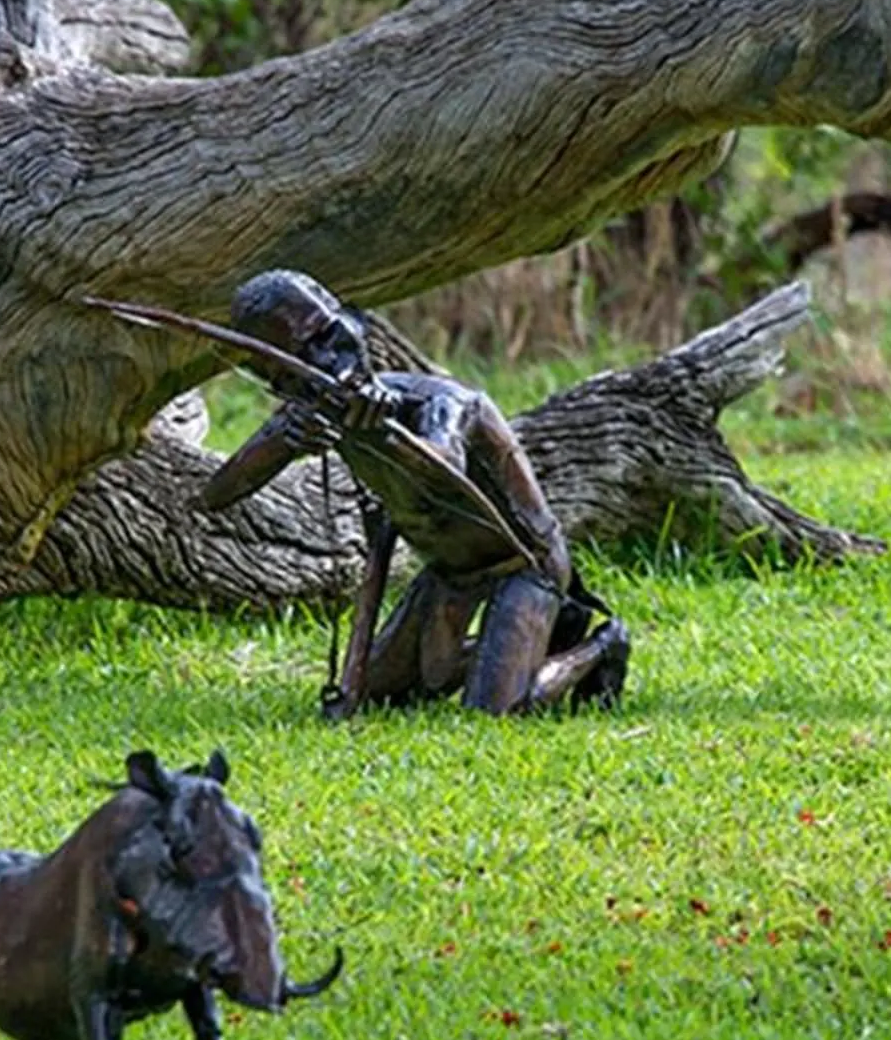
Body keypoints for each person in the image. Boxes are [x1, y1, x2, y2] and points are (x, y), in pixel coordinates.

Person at [199, 270, 630, 716]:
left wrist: (389, 432)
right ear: (280, 378)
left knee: (497, 710)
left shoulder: (443, 401)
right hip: (449, 571)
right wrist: (285, 440)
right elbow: (217, 495)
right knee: (378, 695)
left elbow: (444, 466)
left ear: (351, 323)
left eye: (330, 334)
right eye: (302, 356)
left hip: (523, 564)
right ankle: (512, 652)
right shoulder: (315, 415)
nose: (330, 359)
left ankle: (601, 645)